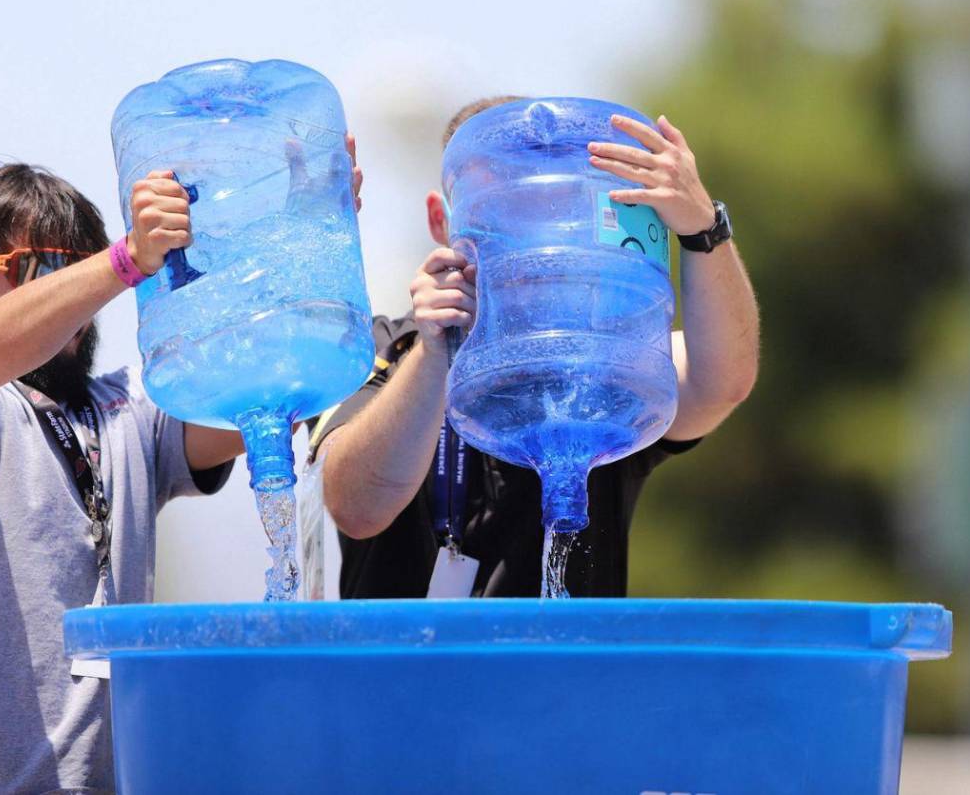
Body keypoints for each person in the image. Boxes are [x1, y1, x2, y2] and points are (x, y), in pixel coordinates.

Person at [0, 146, 360, 794]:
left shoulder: (128, 413)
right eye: (41, 269)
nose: (78, 299)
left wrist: (309, 235)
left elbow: (270, 383)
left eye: (80, 267)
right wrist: (123, 260)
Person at [312, 98, 759, 599]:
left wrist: (703, 229)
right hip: (405, 674)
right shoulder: (383, 351)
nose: (530, 241)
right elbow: (357, 507)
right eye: (500, 213)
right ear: (443, 220)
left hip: (565, 676)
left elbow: (721, 382)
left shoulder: (601, 360)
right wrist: (436, 354)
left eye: (554, 210)